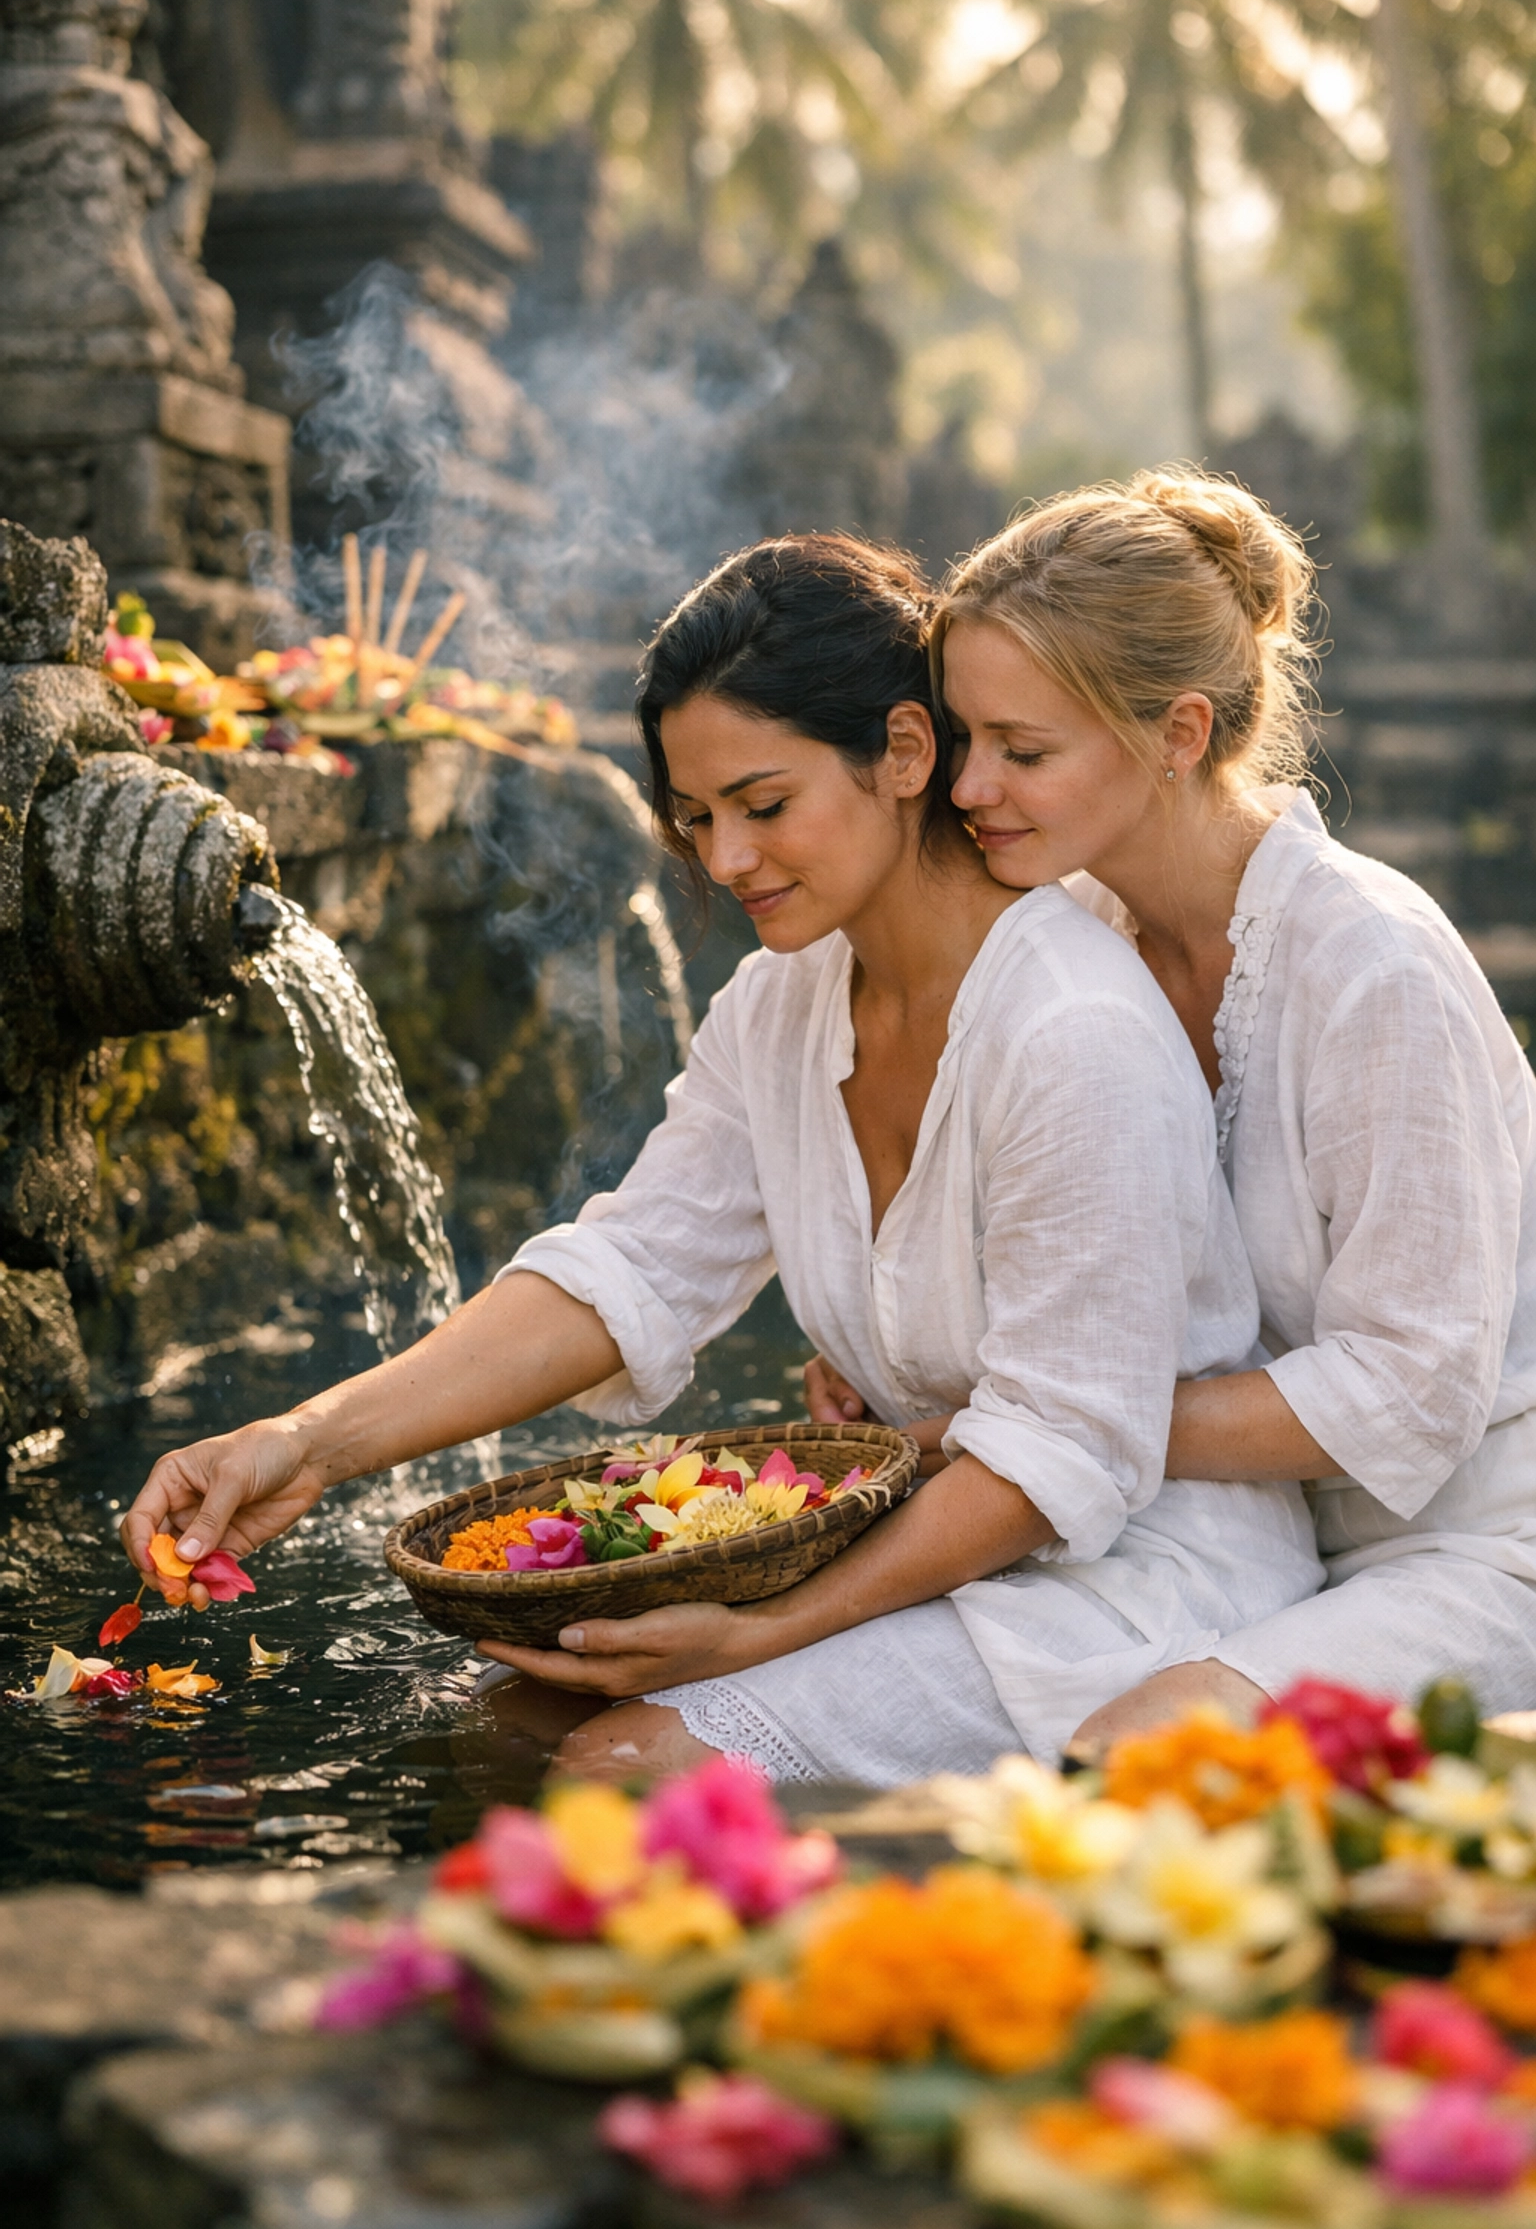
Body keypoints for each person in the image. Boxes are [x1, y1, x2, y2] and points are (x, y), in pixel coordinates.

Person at [121, 533, 1319, 1787]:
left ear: (906, 754)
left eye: (764, 805)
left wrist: (760, 1630)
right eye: (694, 819)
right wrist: (305, 1445)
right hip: (934, 1533)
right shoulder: (782, 1004)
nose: (726, 860)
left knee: (617, 1759)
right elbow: (633, 1267)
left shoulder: (1073, 1029)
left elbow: (1054, 1460)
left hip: (1133, 1580)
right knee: (498, 1726)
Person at [808, 470, 1536, 1740]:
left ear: (1179, 733)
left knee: (1144, 1751)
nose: (968, 788)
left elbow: (1414, 1393)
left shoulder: (1376, 968)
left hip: (1475, 1548)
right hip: (1217, 1538)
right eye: (964, 738)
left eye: (1024, 751)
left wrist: (1008, 1421)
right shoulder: (1073, 936)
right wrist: (918, 1363)